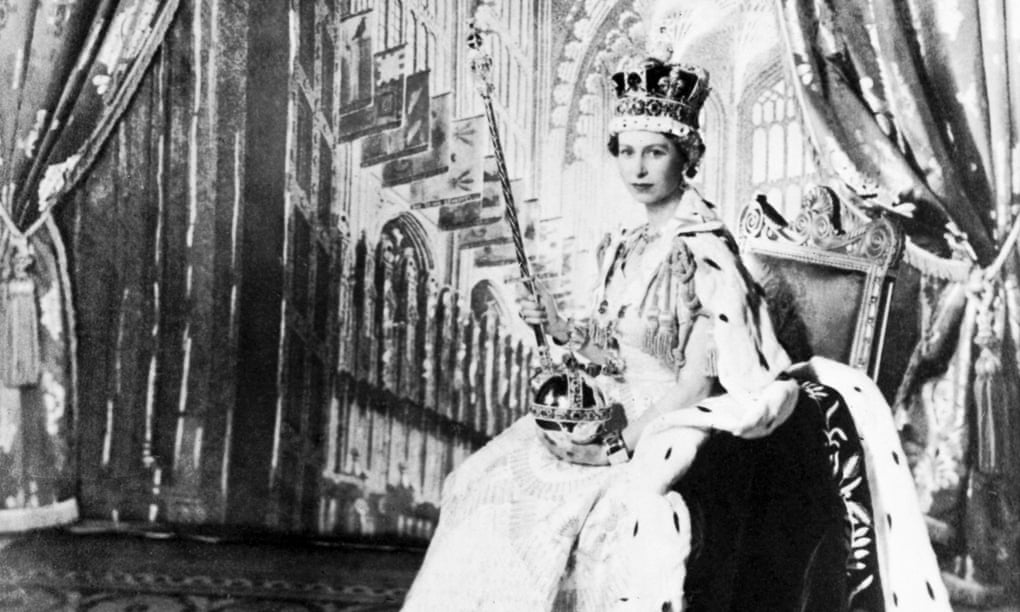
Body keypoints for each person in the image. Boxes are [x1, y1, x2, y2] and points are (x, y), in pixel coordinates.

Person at [402, 57, 948, 612]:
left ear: (686, 157)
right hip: (615, 403)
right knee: (483, 480)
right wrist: (560, 325)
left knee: (608, 522)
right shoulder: (626, 242)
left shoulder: (707, 254)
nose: (638, 168)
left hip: (673, 421)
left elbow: (695, 389)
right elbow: (613, 348)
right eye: (628, 151)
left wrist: (613, 448)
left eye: (655, 152)